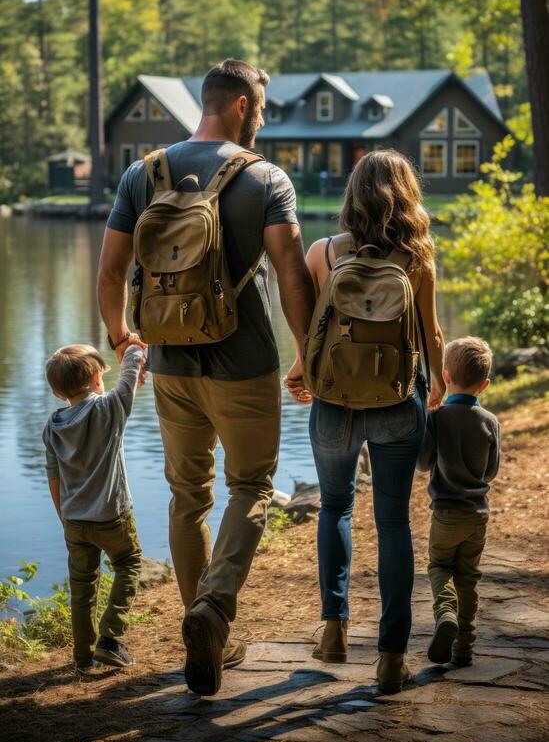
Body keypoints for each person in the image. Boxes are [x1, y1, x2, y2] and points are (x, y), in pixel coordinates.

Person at [98, 58, 315, 697]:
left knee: (187, 493)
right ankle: (214, 611)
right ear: (244, 106)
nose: (264, 121)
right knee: (251, 484)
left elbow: (112, 273)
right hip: (244, 363)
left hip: (167, 361)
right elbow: (293, 274)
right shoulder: (266, 178)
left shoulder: (144, 173)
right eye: (264, 110)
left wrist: (121, 340)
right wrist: (305, 354)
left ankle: (198, 619)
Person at [286, 149, 445, 694]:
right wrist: (440, 385)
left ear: (352, 197)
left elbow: (313, 331)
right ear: (407, 197)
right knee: (394, 522)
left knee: (334, 507)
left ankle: (333, 630)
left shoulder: (322, 253)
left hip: (334, 401)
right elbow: (432, 336)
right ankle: (392, 658)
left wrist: (300, 369)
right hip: (398, 401)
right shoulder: (418, 256)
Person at [43, 343, 145, 674]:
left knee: (83, 587)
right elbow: (129, 374)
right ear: (97, 376)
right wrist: (132, 347)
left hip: (73, 520)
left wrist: (65, 519)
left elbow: (54, 478)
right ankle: (111, 638)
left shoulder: (53, 425)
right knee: (129, 564)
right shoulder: (109, 409)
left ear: (59, 393)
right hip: (112, 516)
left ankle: (83, 660)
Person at [417, 336, 500, 667]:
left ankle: (445, 612)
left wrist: (423, 418)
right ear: (485, 385)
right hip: (477, 516)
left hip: (445, 513)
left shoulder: (437, 419)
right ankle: (464, 648)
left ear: (445, 376)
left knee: (439, 566)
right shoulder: (490, 422)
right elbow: (490, 471)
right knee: (469, 576)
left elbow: (423, 463)